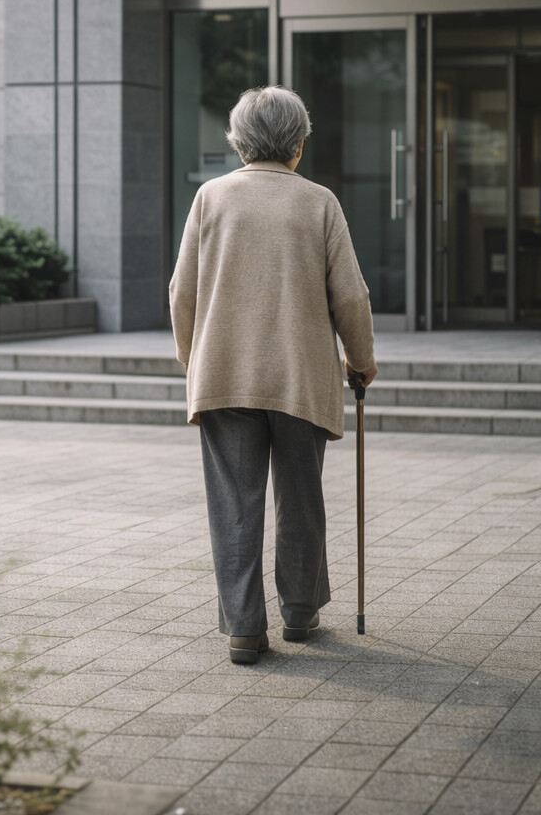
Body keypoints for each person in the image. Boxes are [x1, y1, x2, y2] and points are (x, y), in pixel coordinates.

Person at [168, 85, 377, 664]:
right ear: (299, 145)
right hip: (300, 376)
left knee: (234, 502)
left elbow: (181, 291)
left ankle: (243, 628)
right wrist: (361, 360)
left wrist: (194, 357)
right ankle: (301, 613)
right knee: (302, 496)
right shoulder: (318, 202)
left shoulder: (211, 198)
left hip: (224, 374)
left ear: (238, 143)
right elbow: (351, 297)